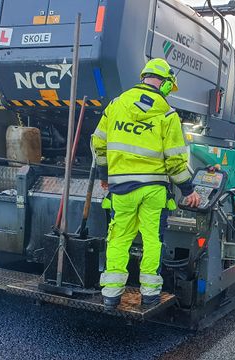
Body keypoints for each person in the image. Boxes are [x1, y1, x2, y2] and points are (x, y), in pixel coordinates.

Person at [92, 58, 201, 309]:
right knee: (152, 239)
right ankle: (150, 295)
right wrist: (188, 190)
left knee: (119, 238)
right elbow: (175, 160)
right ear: (163, 83)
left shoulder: (116, 105)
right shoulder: (167, 113)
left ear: (144, 78)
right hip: (153, 189)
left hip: (121, 189)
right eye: (169, 87)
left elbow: (99, 143)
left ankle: (111, 295)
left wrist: (104, 176)